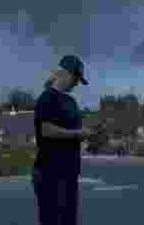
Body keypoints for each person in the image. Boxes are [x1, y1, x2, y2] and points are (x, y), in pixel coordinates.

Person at [32, 55, 98, 225]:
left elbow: (73, 130)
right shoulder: (47, 98)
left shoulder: (71, 101)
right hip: (50, 173)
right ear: (67, 74)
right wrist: (77, 134)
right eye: (76, 79)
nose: (77, 83)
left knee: (68, 220)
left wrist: (87, 134)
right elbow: (46, 130)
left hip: (69, 173)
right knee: (53, 219)